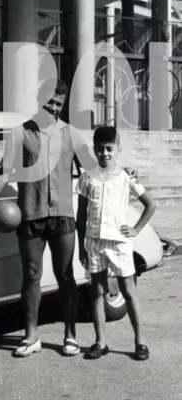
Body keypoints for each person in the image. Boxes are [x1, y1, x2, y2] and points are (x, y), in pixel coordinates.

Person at [0, 79, 138, 359]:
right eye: (49, 102)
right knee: (31, 276)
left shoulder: (72, 134)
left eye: (58, 104)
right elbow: (4, 171)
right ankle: (31, 336)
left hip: (63, 215)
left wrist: (123, 170)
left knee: (66, 276)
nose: (53, 108)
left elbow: (95, 169)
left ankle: (70, 334)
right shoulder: (20, 132)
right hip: (30, 214)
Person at [76, 125, 156, 361]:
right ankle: (101, 342)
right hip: (94, 242)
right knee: (97, 291)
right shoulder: (86, 178)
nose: (104, 154)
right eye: (100, 149)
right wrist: (82, 245)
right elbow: (81, 215)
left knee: (128, 290)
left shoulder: (125, 177)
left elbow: (150, 204)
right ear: (94, 150)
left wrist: (136, 229)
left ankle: (140, 342)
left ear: (117, 149)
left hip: (119, 243)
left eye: (109, 148)